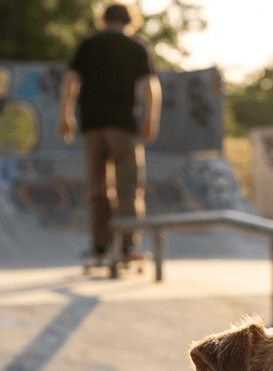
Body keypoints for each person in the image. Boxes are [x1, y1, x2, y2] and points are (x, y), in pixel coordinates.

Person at [59, 3, 162, 264]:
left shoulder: (88, 44)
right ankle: (127, 247)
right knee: (128, 188)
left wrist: (65, 115)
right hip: (122, 126)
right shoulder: (136, 46)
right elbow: (151, 85)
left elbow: (71, 80)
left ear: (103, 19)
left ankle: (101, 248)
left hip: (91, 125)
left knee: (97, 188)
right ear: (129, 20)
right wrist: (151, 120)